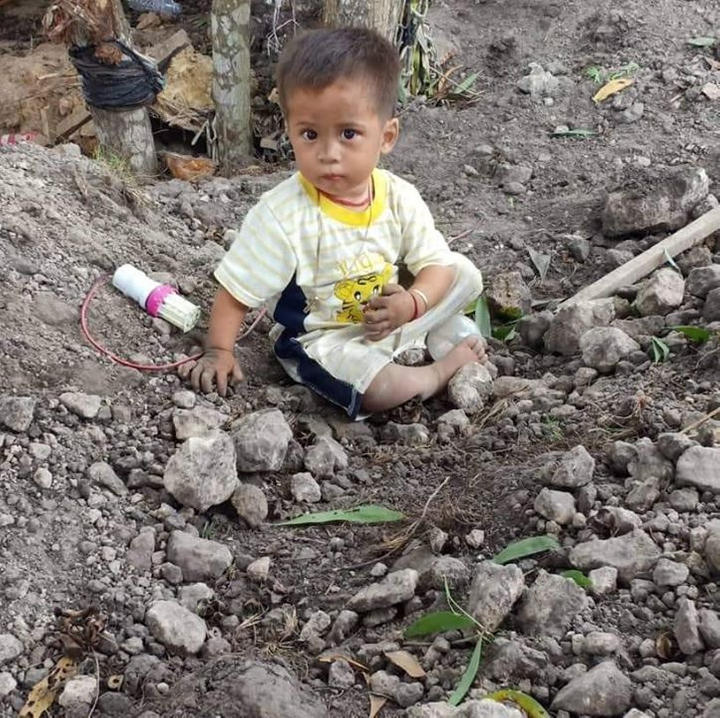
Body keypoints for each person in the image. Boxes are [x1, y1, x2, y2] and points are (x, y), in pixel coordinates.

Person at [181, 26, 486, 418]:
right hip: (324, 340)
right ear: (289, 131)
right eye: (310, 134)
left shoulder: (399, 196)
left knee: (463, 272)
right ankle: (435, 373)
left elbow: (437, 267)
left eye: (348, 134)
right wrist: (220, 350)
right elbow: (236, 292)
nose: (328, 153)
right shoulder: (283, 214)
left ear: (386, 136)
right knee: (378, 388)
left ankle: (414, 336)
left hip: (388, 319)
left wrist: (411, 304)